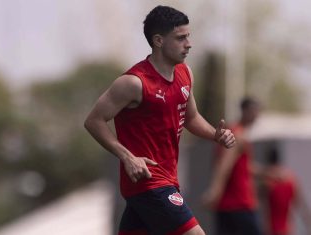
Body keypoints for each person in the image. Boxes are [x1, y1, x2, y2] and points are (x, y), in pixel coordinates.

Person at [84, 5, 235, 235]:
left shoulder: (185, 73)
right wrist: (127, 156)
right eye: (181, 38)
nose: (189, 43)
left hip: (166, 179)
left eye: (188, 36)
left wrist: (215, 135)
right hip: (150, 181)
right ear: (158, 40)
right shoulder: (134, 83)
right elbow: (94, 120)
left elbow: (191, 117)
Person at [201, 97, 262, 235]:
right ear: (245, 111)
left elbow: (245, 167)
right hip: (239, 203)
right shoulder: (237, 134)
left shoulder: (236, 133)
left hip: (227, 206)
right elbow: (224, 165)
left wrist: (268, 173)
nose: (256, 115)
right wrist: (215, 190)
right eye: (254, 111)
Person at [261, 147, 311, 235]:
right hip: (288, 229)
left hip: (271, 229)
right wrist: (308, 225)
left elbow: (262, 206)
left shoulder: (268, 181)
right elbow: (302, 206)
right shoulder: (291, 179)